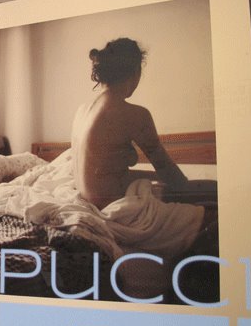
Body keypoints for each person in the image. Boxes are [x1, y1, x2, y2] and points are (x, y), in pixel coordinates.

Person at [71, 38, 188, 209]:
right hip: (110, 207)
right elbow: (167, 171)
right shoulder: (135, 114)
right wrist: (194, 188)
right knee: (211, 195)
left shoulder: (81, 111)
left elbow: (103, 175)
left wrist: (153, 176)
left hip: (86, 202)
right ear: (135, 72)